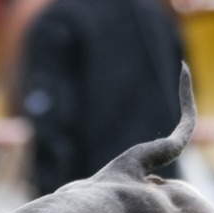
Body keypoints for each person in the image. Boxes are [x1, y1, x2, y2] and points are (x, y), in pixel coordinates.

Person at [19, 0, 186, 197]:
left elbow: (51, 128)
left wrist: (50, 204)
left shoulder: (59, 20)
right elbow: (183, 96)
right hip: (155, 195)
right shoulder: (156, 15)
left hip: (86, 202)